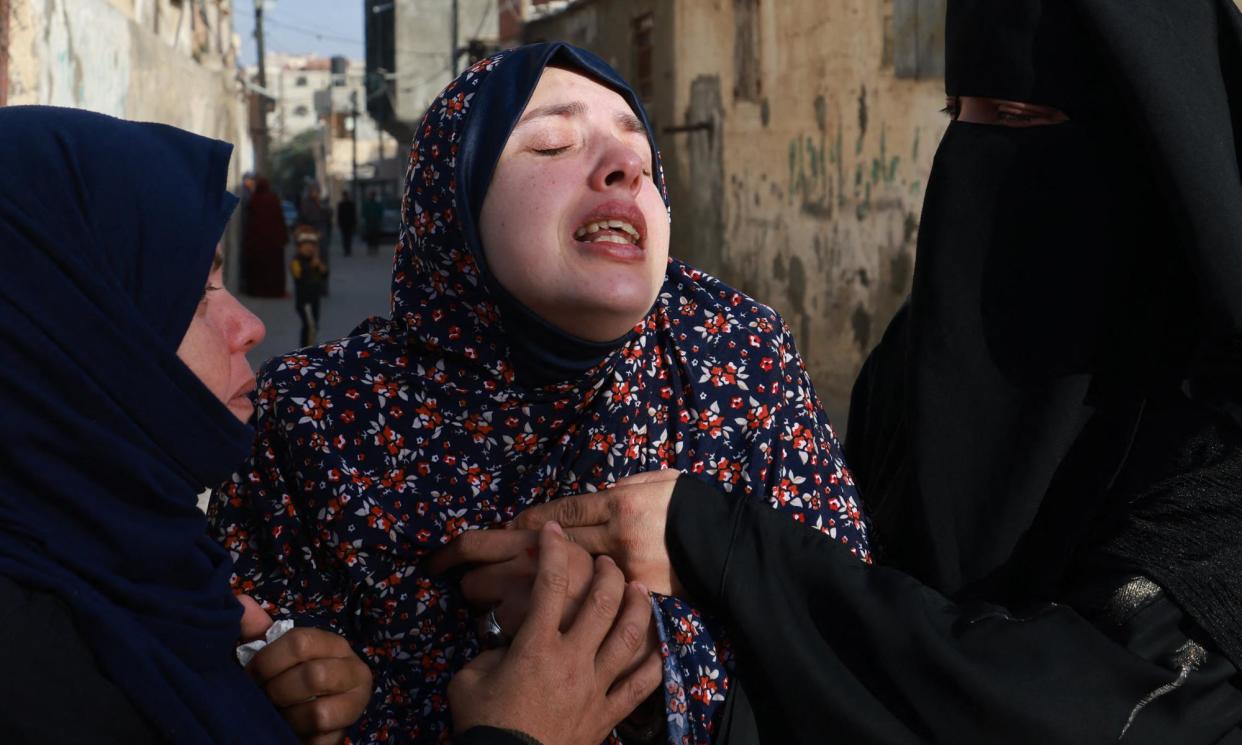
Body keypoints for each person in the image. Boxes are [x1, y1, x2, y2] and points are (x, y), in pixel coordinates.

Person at [499, 0, 1242, 742]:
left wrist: (725, 546)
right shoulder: (919, 361)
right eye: (959, 112)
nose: (968, 156)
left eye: (1015, 119)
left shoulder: (1220, 424)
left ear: (1154, 146)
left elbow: (1097, 709)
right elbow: (855, 633)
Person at [209, 42, 869, 743]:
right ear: (451, 199)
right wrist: (322, 701)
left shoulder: (735, 358)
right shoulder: (312, 419)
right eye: (552, 144)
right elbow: (229, 674)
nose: (626, 166)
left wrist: (646, 657)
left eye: (642, 157)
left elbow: (854, 659)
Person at [0, 106, 373, 744]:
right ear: (72, 338)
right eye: (197, 294)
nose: (249, 326)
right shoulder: (35, 672)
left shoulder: (150, 561)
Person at [243, 176, 288, 298]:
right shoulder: (274, 199)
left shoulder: (255, 200)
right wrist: (284, 238)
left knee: (260, 268)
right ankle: (275, 291)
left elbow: (251, 222)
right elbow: (280, 221)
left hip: (258, 243)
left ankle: (258, 291)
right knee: (274, 268)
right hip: (274, 243)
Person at [290, 226, 330, 347]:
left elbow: (324, 275)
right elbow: (299, 276)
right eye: (305, 245)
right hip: (304, 301)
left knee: (314, 325)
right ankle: (305, 349)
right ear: (299, 247)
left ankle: (309, 346)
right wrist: (312, 265)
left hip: (314, 299)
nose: (309, 248)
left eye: (312, 245)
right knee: (309, 326)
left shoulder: (315, 260)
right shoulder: (296, 261)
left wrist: (320, 265)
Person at [361, 189, 383, 256]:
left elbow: (380, 212)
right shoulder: (367, 204)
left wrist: (379, 220)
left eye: (373, 195)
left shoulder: (377, 204)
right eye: (371, 195)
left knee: (376, 237)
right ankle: (370, 249)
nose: (372, 196)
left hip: (375, 223)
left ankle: (375, 248)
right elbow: (364, 213)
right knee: (369, 236)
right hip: (369, 223)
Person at [337, 191, 357, 257]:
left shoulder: (350, 204)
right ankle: (347, 250)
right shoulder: (342, 204)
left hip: (348, 223)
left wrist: (354, 223)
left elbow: (354, 214)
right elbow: (339, 215)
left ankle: (348, 250)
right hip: (345, 223)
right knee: (346, 238)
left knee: (348, 237)